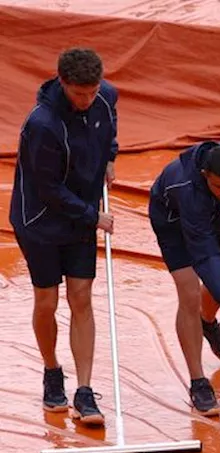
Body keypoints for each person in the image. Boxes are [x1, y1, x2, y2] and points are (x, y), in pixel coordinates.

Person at [9, 47, 117, 425]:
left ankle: (85, 390)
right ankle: (52, 371)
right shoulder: (42, 125)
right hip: (40, 219)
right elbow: (49, 189)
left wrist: (111, 156)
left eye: (93, 92)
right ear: (62, 83)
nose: (87, 101)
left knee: (82, 296)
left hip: (81, 216)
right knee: (47, 300)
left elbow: (110, 118)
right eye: (79, 95)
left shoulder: (104, 99)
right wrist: (94, 217)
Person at [149, 141, 220, 415]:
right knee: (190, 292)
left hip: (211, 213)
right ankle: (198, 382)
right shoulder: (186, 187)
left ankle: (206, 323)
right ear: (205, 174)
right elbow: (204, 254)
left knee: (218, 281)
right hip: (171, 219)